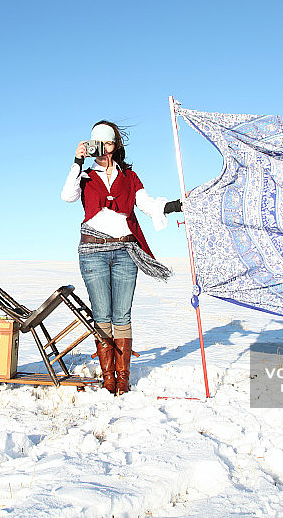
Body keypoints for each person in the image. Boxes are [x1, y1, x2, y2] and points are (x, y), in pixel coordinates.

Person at [61, 120, 182, 395]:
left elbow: (147, 203)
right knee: (102, 314)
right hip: (93, 252)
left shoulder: (130, 177)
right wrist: (77, 162)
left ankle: (123, 378)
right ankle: (108, 377)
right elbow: (67, 196)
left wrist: (174, 206)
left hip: (126, 251)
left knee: (122, 315)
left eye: (109, 142)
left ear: (116, 146)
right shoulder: (85, 176)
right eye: (98, 142)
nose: (104, 147)